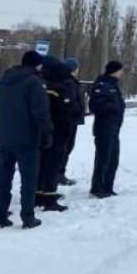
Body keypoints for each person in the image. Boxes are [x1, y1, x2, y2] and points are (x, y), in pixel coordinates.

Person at [0, 51, 52, 230]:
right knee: (28, 180)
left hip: (4, 137)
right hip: (27, 139)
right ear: (36, 65)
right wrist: (47, 132)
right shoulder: (34, 83)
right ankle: (28, 217)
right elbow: (40, 112)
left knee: (3, 178)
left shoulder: (2, 82)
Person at [36, 59, 75, 212]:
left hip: (41, 132)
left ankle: (38, 194)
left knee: (40, 166)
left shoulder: (38, 85)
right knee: (52, 166)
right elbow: (67, 112)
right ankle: (49, 197)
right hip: (57, 132)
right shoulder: (61, 88)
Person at [89, 60, 125, 198]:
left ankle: (108, 186)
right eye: (120, 70)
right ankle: (98, 187)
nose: (122, 73)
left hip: (114, 128)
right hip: (104, 127)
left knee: (113, 158)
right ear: (114, 71)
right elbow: (95, 105)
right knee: (103, 158)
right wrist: (112, 108)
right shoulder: (102, 84)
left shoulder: (113, 85)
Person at [57, 58, 85, 186]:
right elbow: (70, 102)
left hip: (70, 120)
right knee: (66, 147)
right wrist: (77, 110)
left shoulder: (69, 82)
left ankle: (59, 172)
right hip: (69, 121)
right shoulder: (69, 83)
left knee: (66, 147)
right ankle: (59, 173)